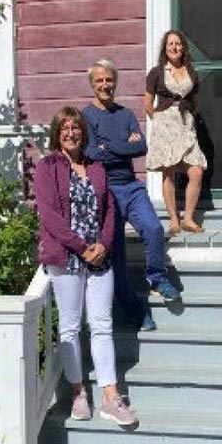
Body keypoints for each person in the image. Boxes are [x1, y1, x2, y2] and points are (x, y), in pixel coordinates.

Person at [34, 106, 138, 428]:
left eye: (75, 127)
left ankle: (110, 396)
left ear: (83, 132)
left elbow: (109, 211)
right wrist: (82, 248)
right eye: (64, 128)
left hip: (99, 258)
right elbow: (49, 216)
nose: (70, 133)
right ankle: (79, 392)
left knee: (102, 325)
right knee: (69, 326)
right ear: (57, 132)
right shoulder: (47, 166)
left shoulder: (96, 167)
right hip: (66, 258)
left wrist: (103, 245)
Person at [80, 59, 181, 335]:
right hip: (106, 190)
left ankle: (157, 278)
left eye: (109, 80)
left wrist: (108, 145)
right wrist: (122, 146)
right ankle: (136, 313)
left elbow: (142, 146)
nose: (105, 85)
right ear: (92, 85)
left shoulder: (125, 115)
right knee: (118, 255)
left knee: (152, 228)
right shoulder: (86, 117)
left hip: (131, 187)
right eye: (99, 81)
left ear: (115, 83)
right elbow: (90, 153)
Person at [144, 30, 207, 236]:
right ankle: (173, 220)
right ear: (165, 48)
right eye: (170, 44)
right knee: (168, 172)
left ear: (183, 48)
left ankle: (188, 218)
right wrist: (159, 120)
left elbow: (196, 103)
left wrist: (187, 117)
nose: (174, 47)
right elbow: (147, 102)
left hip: (185, 123)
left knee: (196, 170)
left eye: (178, 44)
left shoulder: (192, 72)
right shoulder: (157, 72)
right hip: (165, 124)